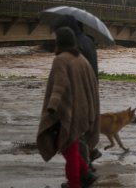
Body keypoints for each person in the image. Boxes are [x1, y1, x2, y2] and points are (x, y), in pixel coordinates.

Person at [37, 27, 100, 188]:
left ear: (60, 42)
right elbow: (93, 84)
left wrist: (52, 106)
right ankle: (85, 173)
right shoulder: (81, 59)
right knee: (67, 146)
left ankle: (74, 183)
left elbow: (60, 85)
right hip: (83, 112)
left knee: (69, 149)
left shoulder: (61, 60)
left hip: (67, 113)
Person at [51, 15, 102, 168]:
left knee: (74, 132)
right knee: (83, 130)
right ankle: (88, 161)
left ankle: (84, 171)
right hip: (91, 88)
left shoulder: (76, 45)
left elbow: (70, 74)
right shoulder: (88, 40)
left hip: (79, 92)